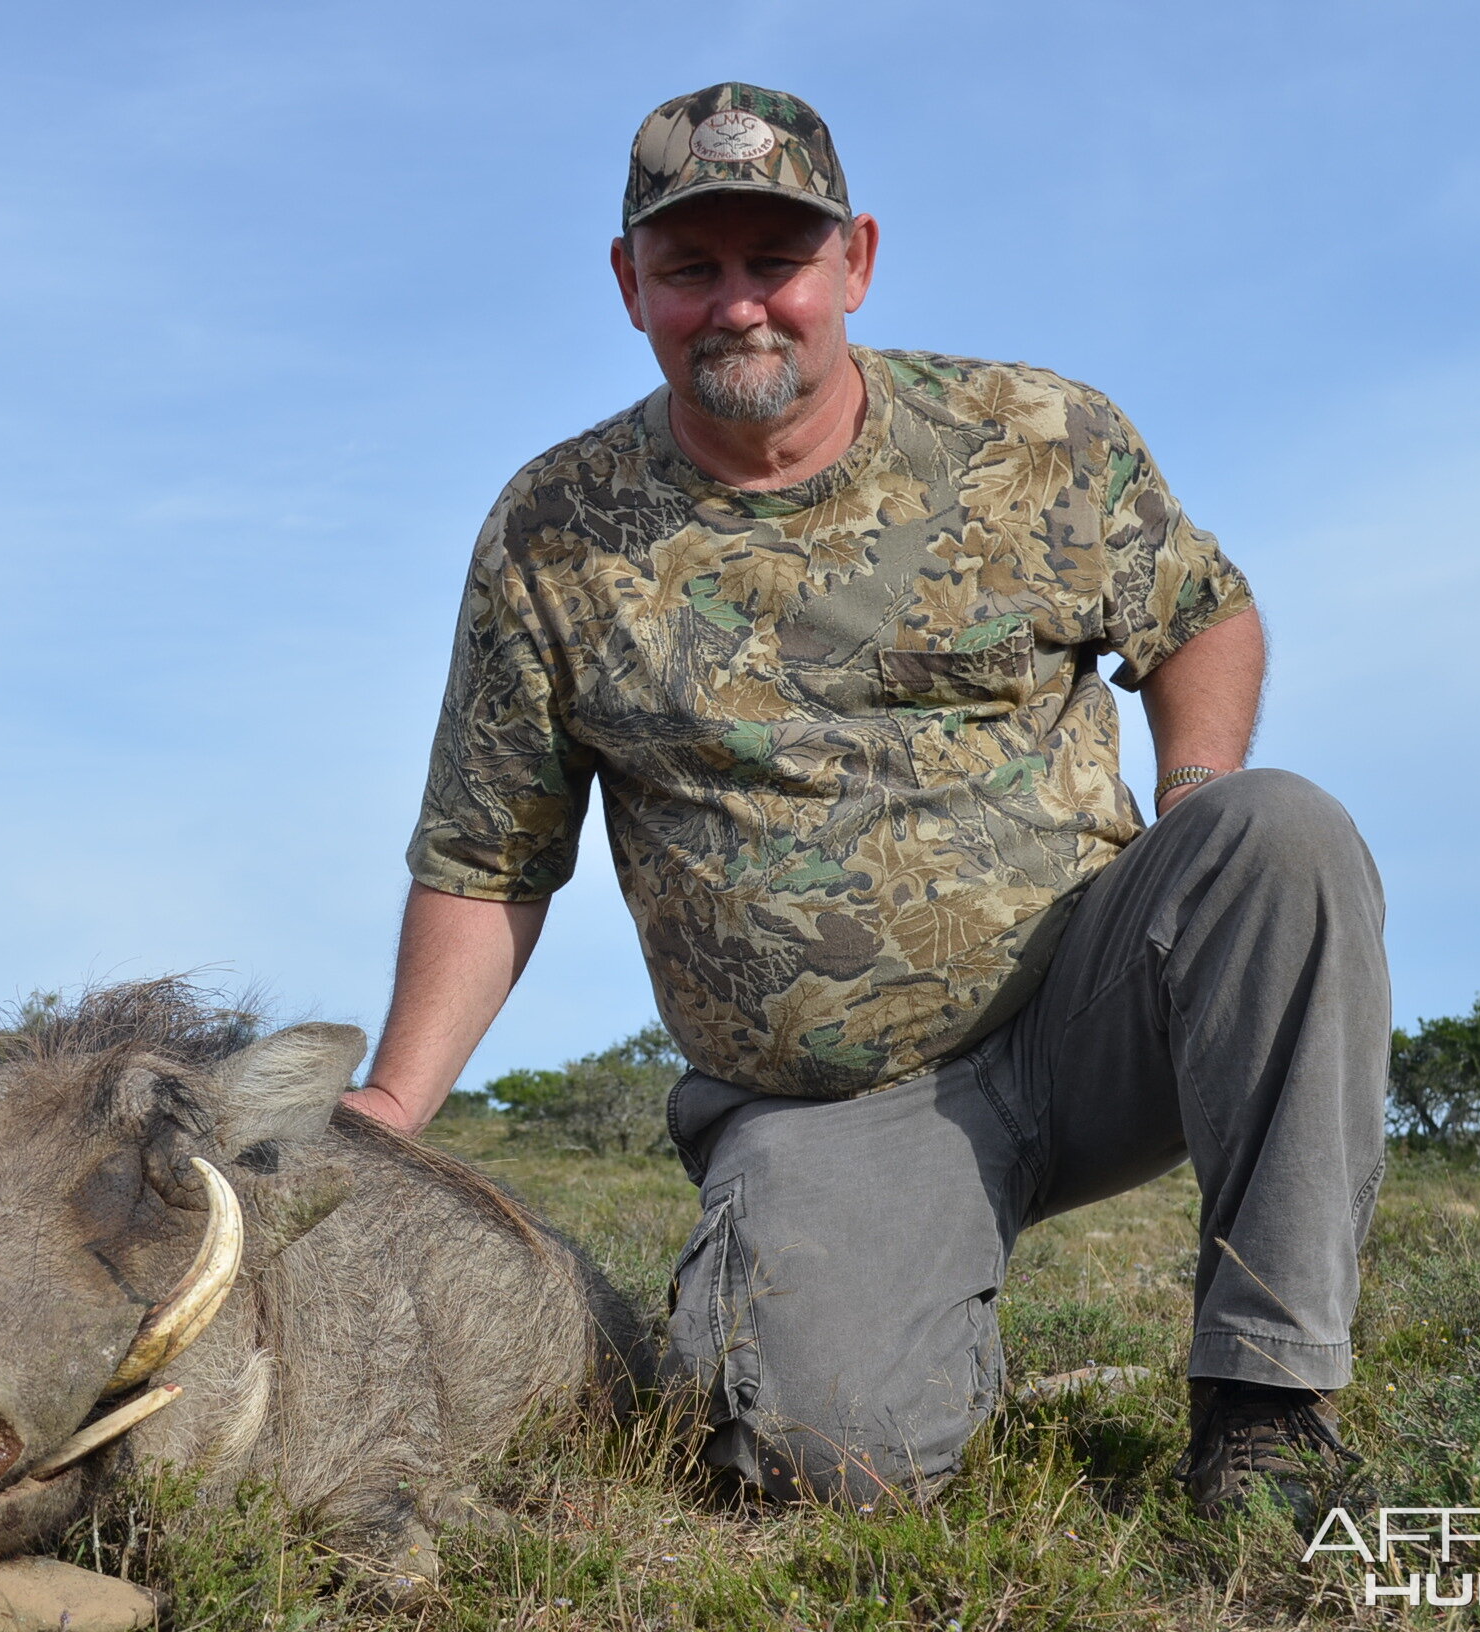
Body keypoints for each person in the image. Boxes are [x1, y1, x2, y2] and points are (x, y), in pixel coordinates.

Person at [342, 81, 1387, 1519]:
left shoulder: (1039, 434)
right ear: (627, 285)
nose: (739, 307)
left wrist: (1191, 791)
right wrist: (389, 1110)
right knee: (826, 1459)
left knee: (1280, 836)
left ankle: (1267, 1404)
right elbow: (489, 857)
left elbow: (1204, 614)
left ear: (856, 264)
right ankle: (901, 1328)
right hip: (830, 1103)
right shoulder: (551, 534)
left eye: (775, 262)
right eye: (690, 267)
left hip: (1090, 1011)